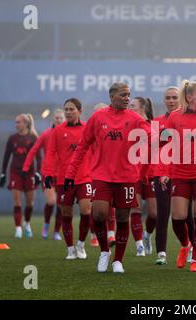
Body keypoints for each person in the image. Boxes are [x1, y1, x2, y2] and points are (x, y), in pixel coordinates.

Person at [66, 82, 151, 273]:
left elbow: (150, 136)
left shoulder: (135, 118)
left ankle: (118, 260)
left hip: (127, 176)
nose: (127, 98)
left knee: (122, 217)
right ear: (112, 96)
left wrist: (164, 135)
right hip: (101, 175)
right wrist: (71, 173)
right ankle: (104, 252)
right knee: (99, 214)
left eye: (129, 95)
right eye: (123, 95)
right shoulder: (97, 118)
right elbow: (82, 147)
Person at [160, 80, 196, 272]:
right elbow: (164, 145)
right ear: (190, 97)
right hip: (180, 172)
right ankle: (186, 245)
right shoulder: (175, 117)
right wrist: (164, 171)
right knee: (178, 217)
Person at [43, 98, 92, 260]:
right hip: (64, 180)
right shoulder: (58, 131)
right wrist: (48, 173)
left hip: (85, 178)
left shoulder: (87, 129)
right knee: (66, 213)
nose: (69, 112)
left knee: (86, 211)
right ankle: (70, 248)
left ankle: (81, 244)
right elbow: (50, 153)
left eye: (72, 109)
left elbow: (97, 151)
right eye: (66, 109)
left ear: (80, 111)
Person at [153, 87, 195, 265]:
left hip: (183, 172)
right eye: (168, 98)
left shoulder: (186, 119)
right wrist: (162, 172)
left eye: (174, 98)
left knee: (187, 215)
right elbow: (157, 150)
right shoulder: (157, 122)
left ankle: (192, 249)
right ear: (164, 101)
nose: (171, 100)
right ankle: (161, 252)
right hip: (162, 173)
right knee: (162, 213)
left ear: (181, 99)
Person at [22, 109, 64, 240]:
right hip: (48, 173)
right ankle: (46, 225)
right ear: (53, 119)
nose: (58, 120)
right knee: (51, 201)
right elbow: (34, 150)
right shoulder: (46, 135)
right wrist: (26, 167)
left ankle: (56, 231)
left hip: (64, 174)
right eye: (56, 118)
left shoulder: (69, 134)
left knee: (62, 205)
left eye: (60, 118)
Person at [0, 113, 41, 238]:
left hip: (29, 173)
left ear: (26, 124)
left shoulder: (34, 138)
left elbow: (39, 158)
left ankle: (27, 223)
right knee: (17, 202)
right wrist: (3, 173)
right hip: (15, 172)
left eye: (18, 122)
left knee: (30, 204)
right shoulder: (12, 138)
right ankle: (18, 229)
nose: (16, 124)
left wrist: (38, 173)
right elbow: (6, 156)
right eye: (15, 122)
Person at [129, 96, 158, 256]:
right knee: (136, 208)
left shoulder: (153, 127)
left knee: (154, 213)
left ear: (143, 108)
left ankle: (147, 235)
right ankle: (139, 244)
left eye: (133, 105)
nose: (130, 107)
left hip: (151, 173)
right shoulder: (128, 125)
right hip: (133, 174)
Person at [90, 102, 116, 248]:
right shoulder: (90, 129)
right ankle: (93, 234)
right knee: (93, 207)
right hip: (93, 173)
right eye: (96, 112)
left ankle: (111, 233)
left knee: (111, 204)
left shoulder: (112, 129)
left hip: (111, 173)